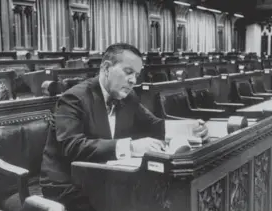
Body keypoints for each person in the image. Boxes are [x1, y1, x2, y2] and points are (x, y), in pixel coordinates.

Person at [39, 43, 208, 211]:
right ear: (106, 68)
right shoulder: (73, 99)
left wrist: (190, 129)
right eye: (128, 72)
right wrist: (131, 147)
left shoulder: (128, 97)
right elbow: (73, 146)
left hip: (106, 176)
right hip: (68, 184)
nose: (133, 80)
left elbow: (154, 125)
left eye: (136, 74)